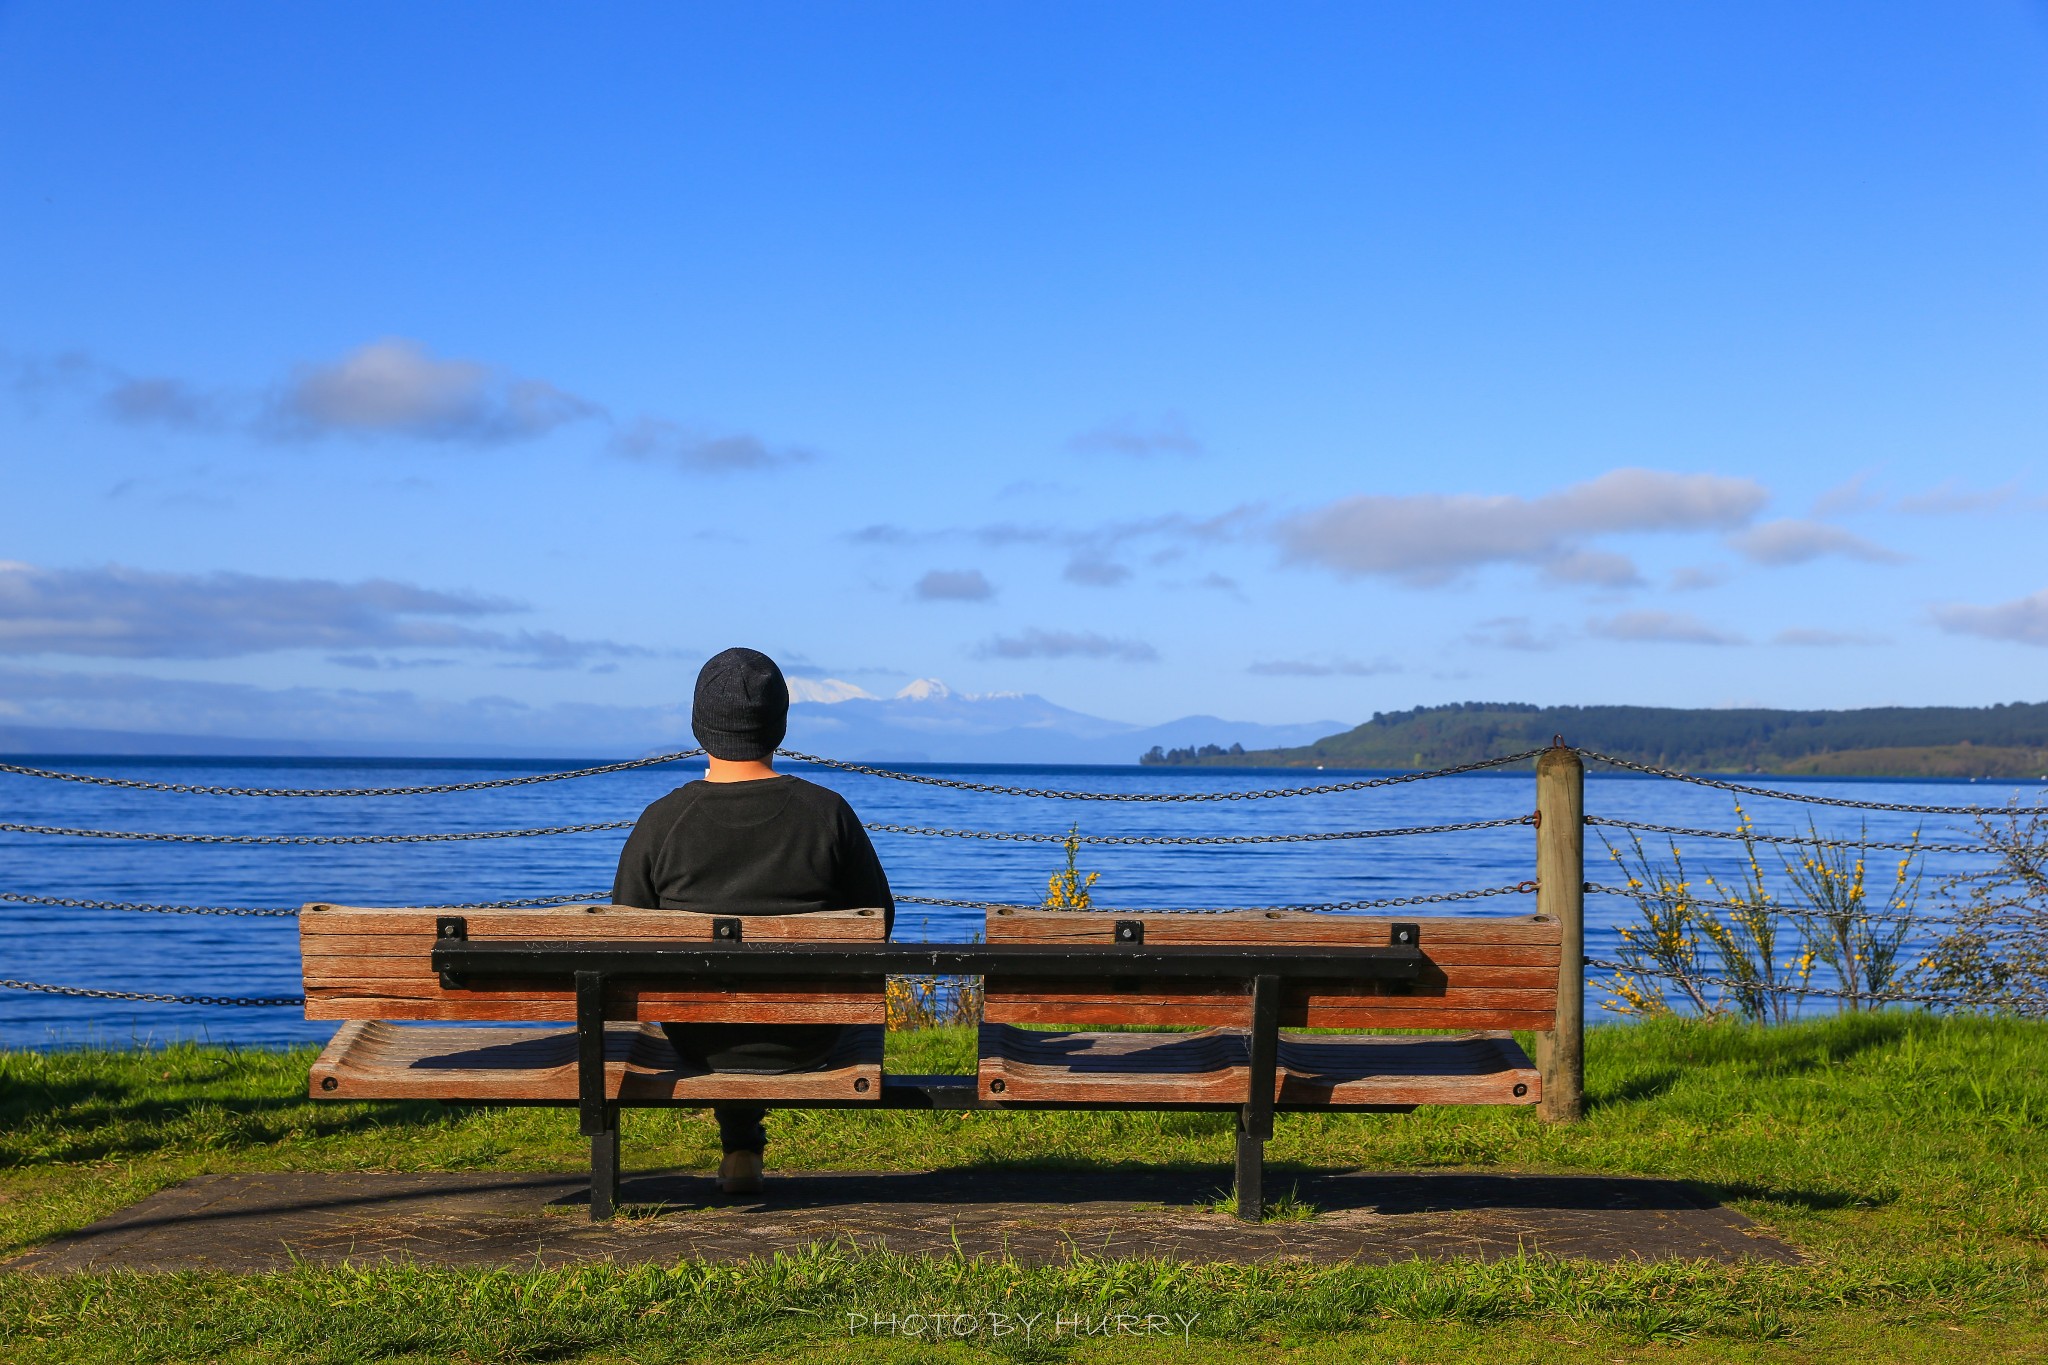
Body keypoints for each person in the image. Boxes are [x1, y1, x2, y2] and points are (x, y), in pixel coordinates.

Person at [611, 647, 894, 1196]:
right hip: (810, 1039)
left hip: (698, 1040)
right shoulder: (827, 813)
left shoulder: (663, 821)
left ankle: (738, 1144)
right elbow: (877, 921)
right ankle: (742, 1146)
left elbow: (626, 932)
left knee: (716, 996)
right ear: (780, 724)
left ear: (699, 726)